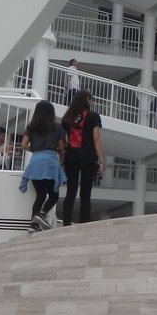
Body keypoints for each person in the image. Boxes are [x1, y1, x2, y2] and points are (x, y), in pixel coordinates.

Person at [18, 100, 65, 232]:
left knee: (40, 195)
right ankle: (41, 215)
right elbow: (61, 148)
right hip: (50, 163)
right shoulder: (57, 127)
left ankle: (33, 225)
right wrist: (61, 160)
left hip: (35, 163)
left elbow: (23, 145)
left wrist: (35, 151)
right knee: (53, 196)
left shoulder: (31, 127)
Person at [61, 89, 104, 226]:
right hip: (88, 158)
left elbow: (63, 139)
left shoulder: (68, 117)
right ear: (87, 100)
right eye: (91, 99)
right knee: (86, 193)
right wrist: (101, 160)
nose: (92, 102)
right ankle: (84, 222)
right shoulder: (94, 116)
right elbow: (96, 139)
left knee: (71, 191)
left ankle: (66, 222)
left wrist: (63, 156)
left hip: (71, 158)